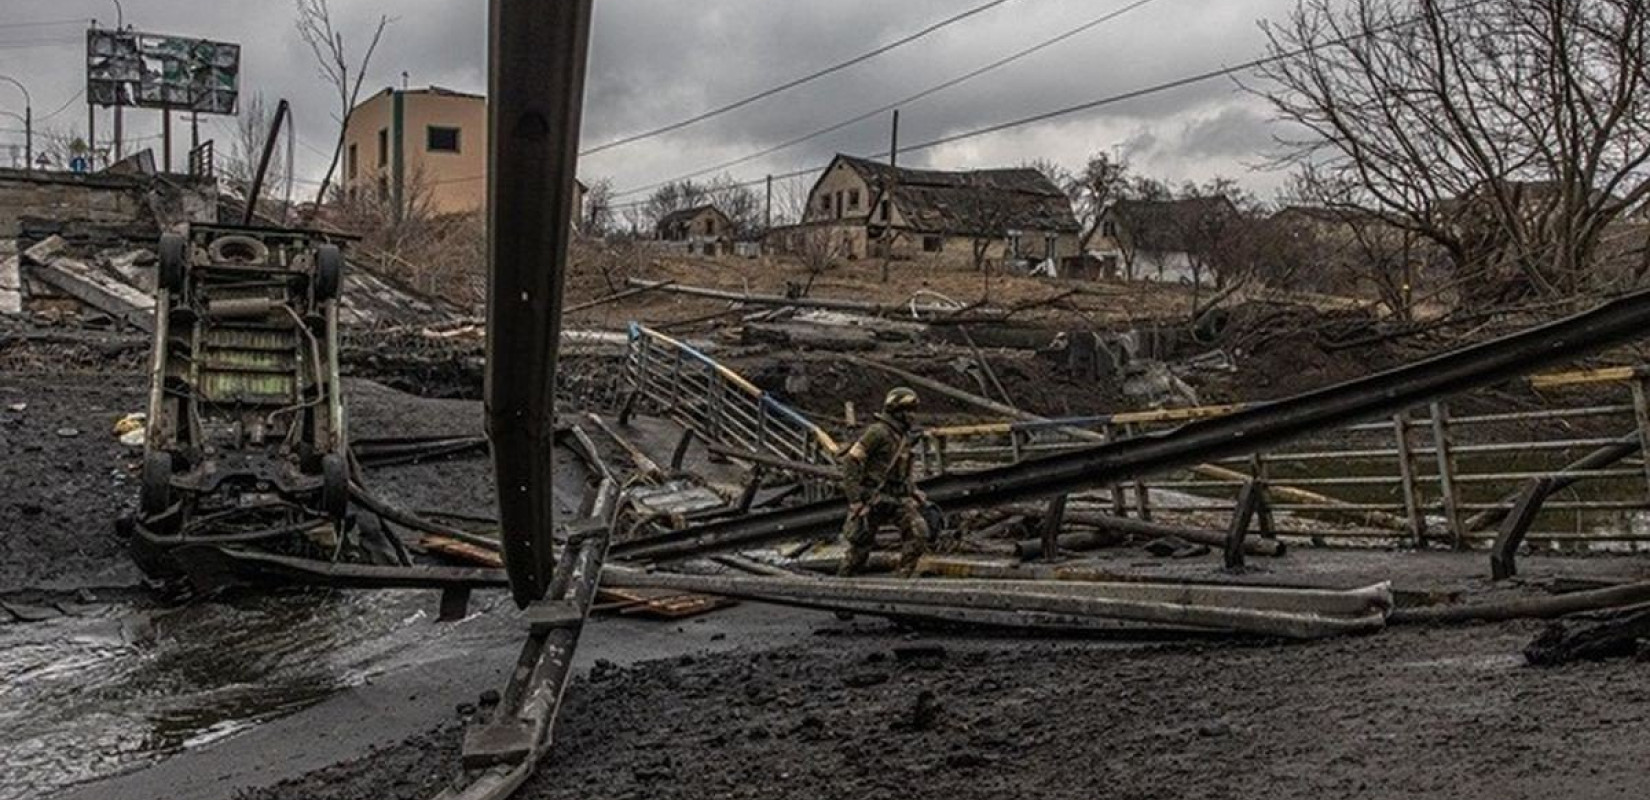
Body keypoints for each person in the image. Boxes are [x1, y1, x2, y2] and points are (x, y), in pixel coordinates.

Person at [838, 386, 930, 577]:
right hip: (873, 498)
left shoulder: (903, 437)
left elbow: (901, 471)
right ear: (896, 412)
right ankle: (842, 585)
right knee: (859, 549)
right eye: (908, 411)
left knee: (918, 533)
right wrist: (855, 500)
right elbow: (850, 461)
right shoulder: (877, 433)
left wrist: (914, 491)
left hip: (897, 497)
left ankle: (901, 580)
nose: (912, 416)